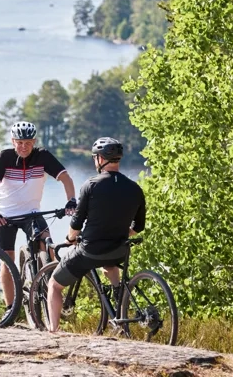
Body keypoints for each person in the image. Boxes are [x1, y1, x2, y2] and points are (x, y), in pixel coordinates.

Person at [46, 136, 146, 333]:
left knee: (54, 285)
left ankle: (53, 331)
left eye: (95, 158)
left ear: (101, 159)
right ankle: (119, 295)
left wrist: (69, 240)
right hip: (119, 250)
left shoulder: (91, 185)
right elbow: (139, 226)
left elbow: (76, 223)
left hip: (90, 251)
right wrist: (119, 231)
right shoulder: (135, 188)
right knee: (110, 264)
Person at [0, 121, 77, 306]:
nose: (23, 147)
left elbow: (66, 179)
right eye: (19, 142)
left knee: (49, 246)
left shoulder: (42, 156)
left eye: (27, 142)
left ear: (34, 141)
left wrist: (71, 201)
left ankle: (50, 287)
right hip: (6, 216)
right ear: (13, 141)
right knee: (7, 260)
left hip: (32, 214)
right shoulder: (4, 157)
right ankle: (10, 307)